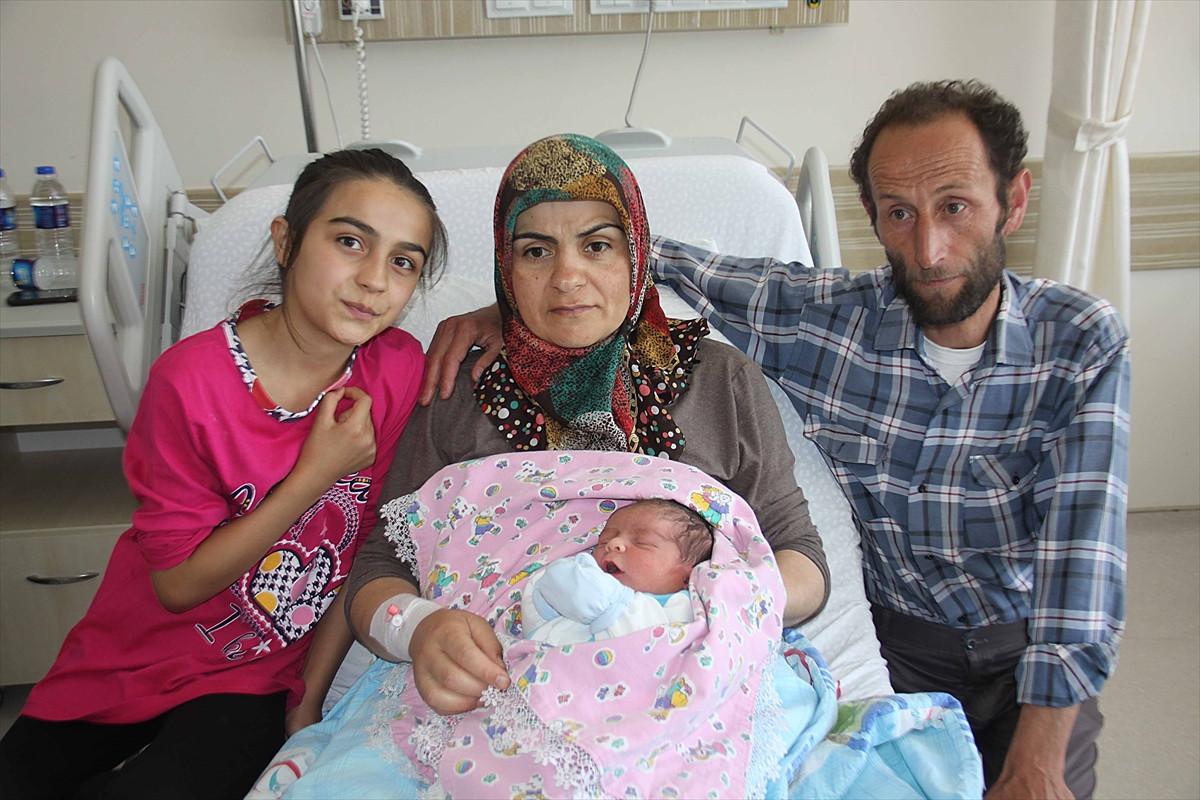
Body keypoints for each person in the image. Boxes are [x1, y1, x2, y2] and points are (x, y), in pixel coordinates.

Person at [420, 82, 1129, 800]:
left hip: (1031, 651)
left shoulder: (1079, 341)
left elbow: (1085, 561)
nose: (929, 247)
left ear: (1014, 199)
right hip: (900, 641)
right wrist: (522, 301)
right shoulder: (828, 319)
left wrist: (1038, 757)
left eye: (955, 206)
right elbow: (620, 253)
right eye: (899, 212)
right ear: (872, 216)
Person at [0, 148, 448, 800]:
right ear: (286, 241)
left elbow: (361, 551)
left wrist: (307, 699)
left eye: (403, 261)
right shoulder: (190, 383)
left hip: (251, 677)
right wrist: (313, 476)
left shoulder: (396, 368)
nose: (375, 279)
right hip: (132, 655)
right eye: (350, 241)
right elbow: (178, 586)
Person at [342, 132, 830, 720]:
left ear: (636, 253)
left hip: (692, 692)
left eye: (597, 246)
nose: (567, 277)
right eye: (536, 251)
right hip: (492, 693)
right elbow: (381, 566)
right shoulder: (457, 388)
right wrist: (419, 629)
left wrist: (711, 605)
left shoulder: (721, 382)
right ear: (505, 267)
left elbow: (799, 555)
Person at [522, 498, 714, 644]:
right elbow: (552, 586)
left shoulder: (689, 612)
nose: (614, 543)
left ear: (688, 577)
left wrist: (615, 603)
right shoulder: (576, 581)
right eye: (604, 541)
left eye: (642, 542)